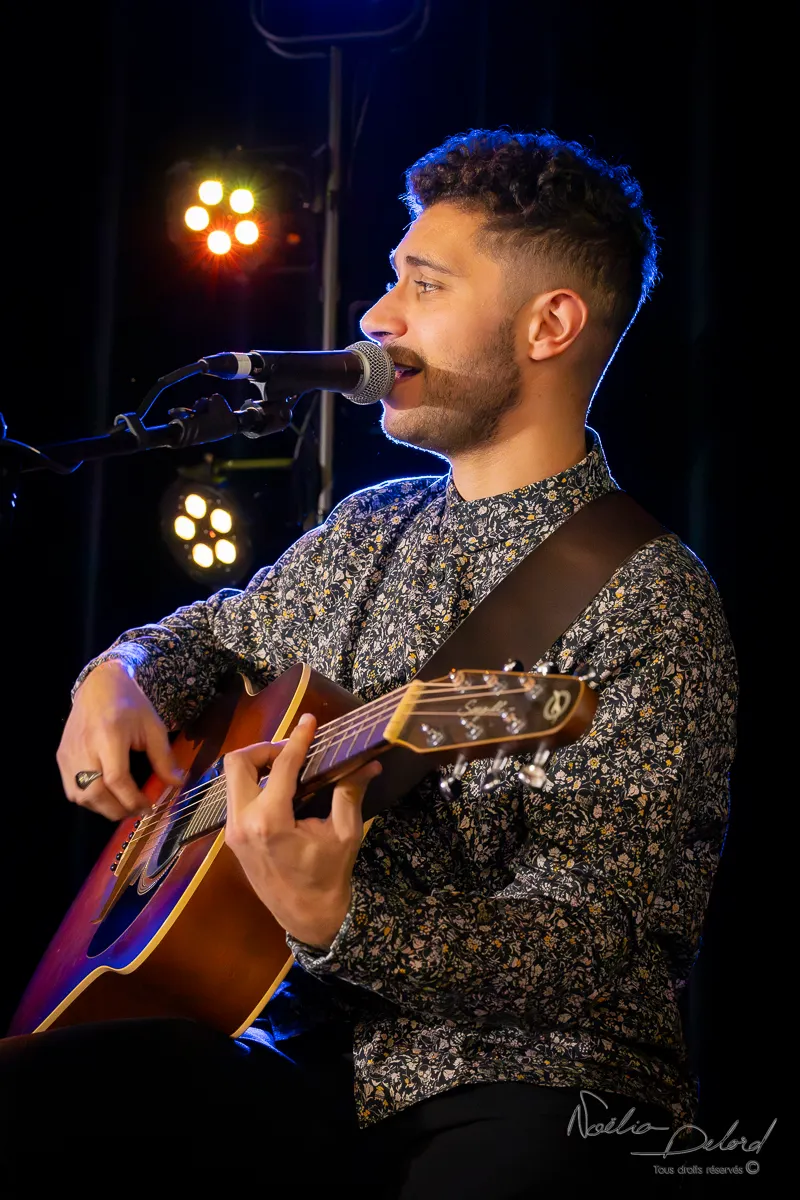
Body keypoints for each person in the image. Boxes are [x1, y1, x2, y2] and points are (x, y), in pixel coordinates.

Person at [1, 129, 737, 1192]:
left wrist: (345, 924)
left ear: (549, 325)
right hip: (293, 1058)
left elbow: (608, 952)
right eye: (392, 279)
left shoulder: (651, 597)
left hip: (524, 1088)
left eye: (423, 285)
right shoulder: (371, 523)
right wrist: (118, 672)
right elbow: (211, 633)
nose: (377, 319)